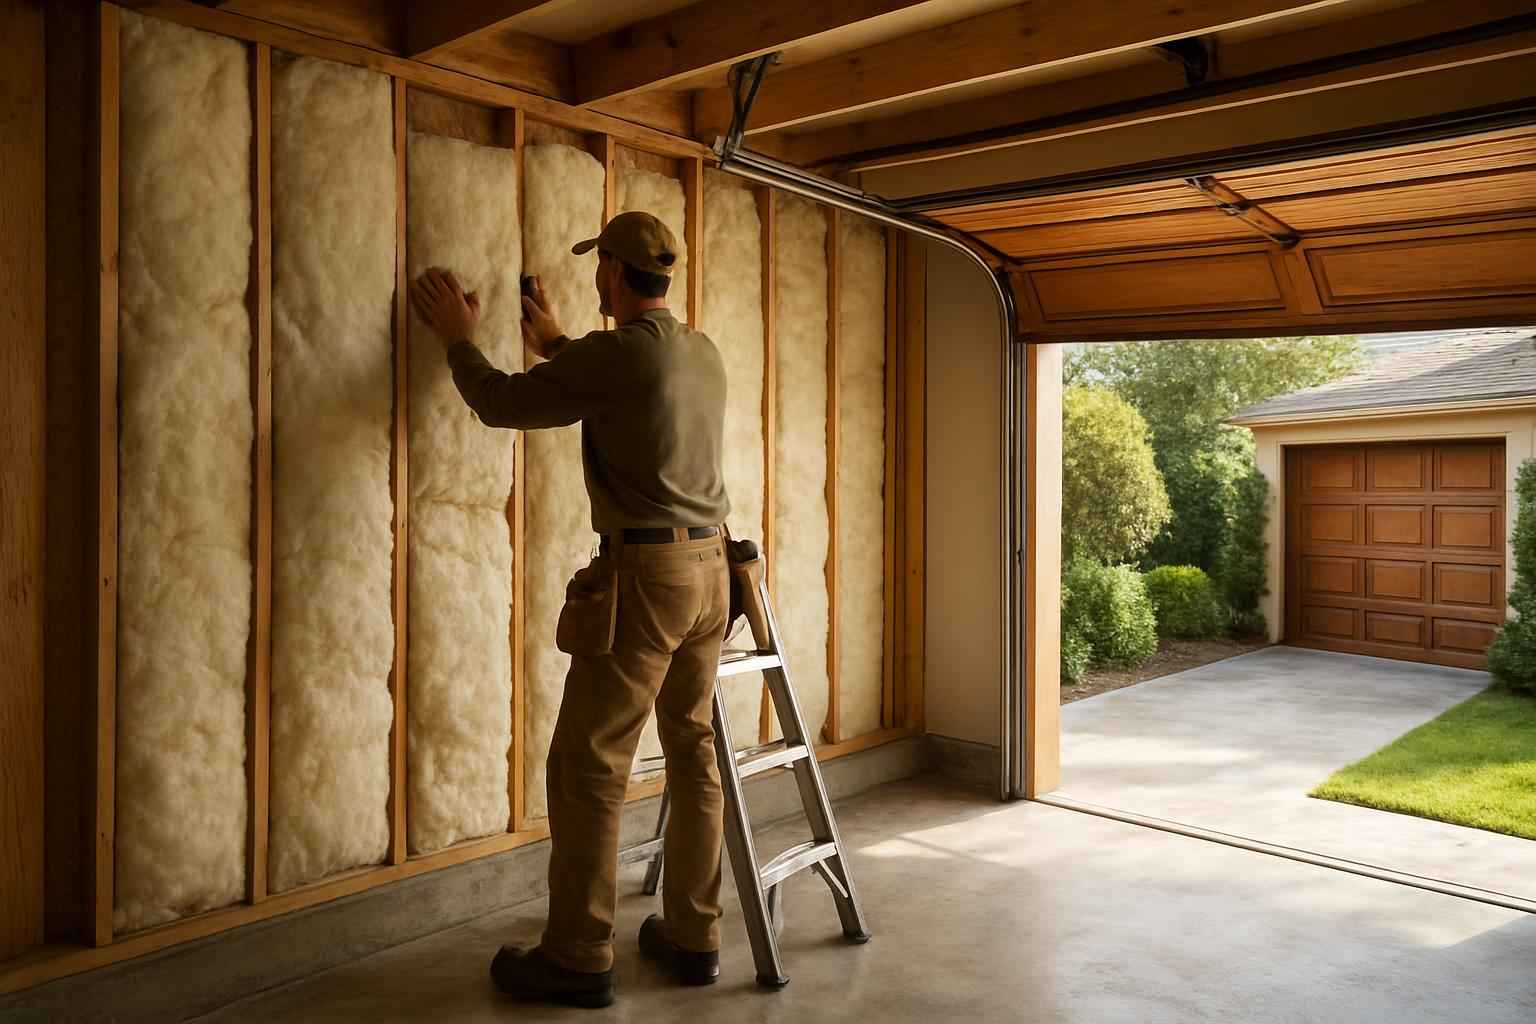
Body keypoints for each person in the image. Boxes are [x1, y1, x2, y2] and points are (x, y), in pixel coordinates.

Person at [410, 211, 730, 1010]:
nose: (597, 280)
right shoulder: (700, 352)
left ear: (615, 275)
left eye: (601, 269)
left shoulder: (616, 355)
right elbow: (613, 383)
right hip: (713, 568)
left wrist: (456, 335)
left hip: (649, 578)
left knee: (589, 764)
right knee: (692, 750)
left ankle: (580, 954)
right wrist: (555, 339)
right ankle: (696, 936)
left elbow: (501, 402)